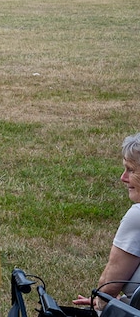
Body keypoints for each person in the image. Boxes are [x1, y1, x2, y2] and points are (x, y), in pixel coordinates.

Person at [71, 133, 140, 312]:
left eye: (131, 170)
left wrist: (102, 304)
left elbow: (108, 287)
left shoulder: (137, 216)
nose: (123, 178)